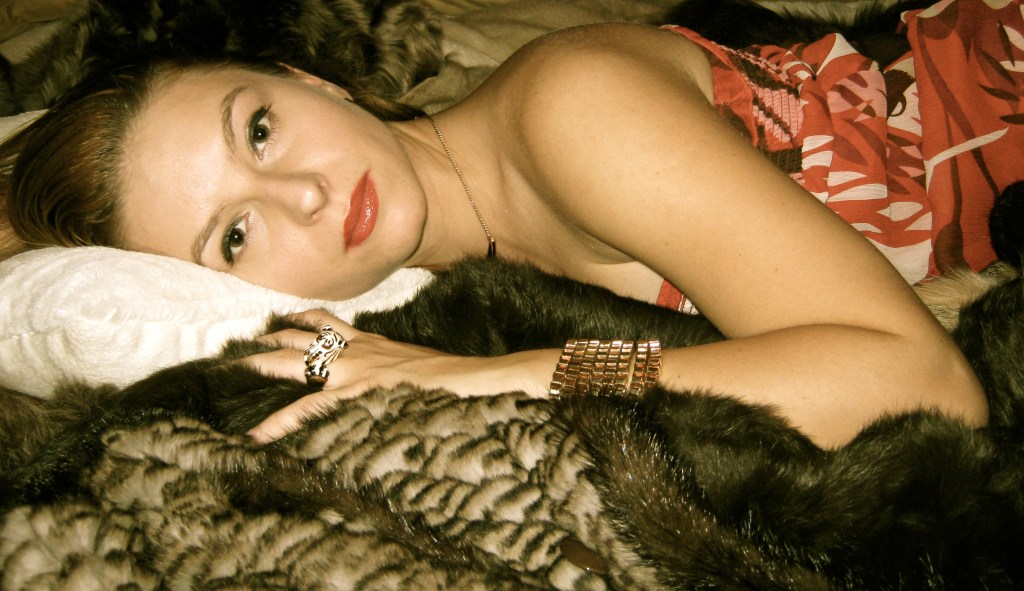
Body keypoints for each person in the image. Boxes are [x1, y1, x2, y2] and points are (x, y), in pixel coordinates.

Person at [2, 0, 1016, 448]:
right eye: (234, 234)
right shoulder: (448, 274)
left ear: (310, 78)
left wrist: (489, 377)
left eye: (259, 128)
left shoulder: (570, 110)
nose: (302, 194)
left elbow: (922, 383)